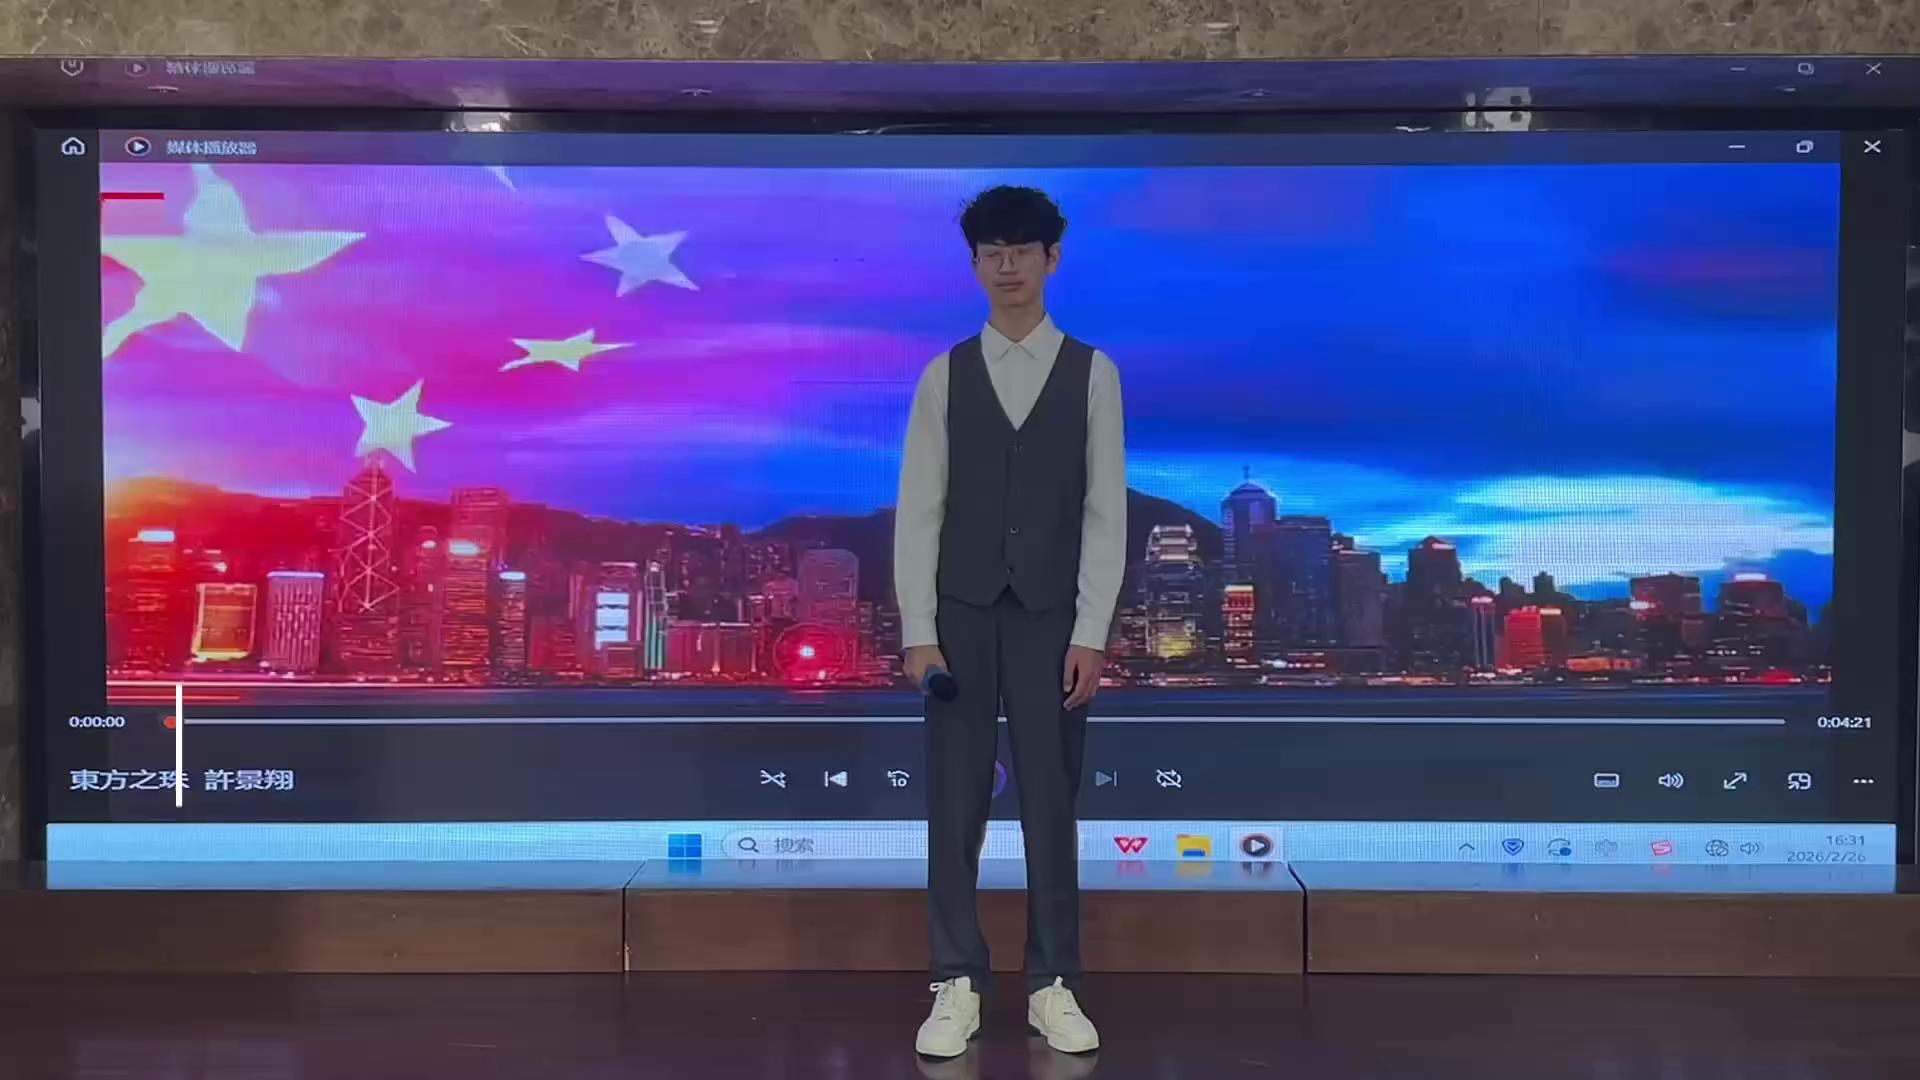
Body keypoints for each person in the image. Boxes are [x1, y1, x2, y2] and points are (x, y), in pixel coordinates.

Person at [893, 185, 1126, 1057]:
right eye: (991, 252)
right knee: (953, 804)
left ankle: (1052, 982)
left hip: (1052, 622)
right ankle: (955, 980)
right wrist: (919, 630)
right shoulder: (943, 375)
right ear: (974, 265)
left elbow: (1105, 513)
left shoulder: (1094, 373)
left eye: (1022, 250)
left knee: (1052, 805)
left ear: (1052, 259)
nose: (1007, 265)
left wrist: (1091, 631)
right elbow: (921, 510)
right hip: (958, 618)